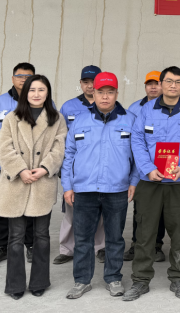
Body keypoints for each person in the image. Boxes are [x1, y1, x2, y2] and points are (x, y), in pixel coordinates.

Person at [123, 66, 180, 301]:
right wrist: (147, 168)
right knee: (145, 233)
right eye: (168, 81)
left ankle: (178, 280)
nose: (173, 85)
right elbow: (137, 139)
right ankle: (140, 281)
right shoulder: (147, 109)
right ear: (160, 84)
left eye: (178, 81)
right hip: (150, 181)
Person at [62, 72, 139, 299]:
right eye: (100, 92)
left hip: (117, 189)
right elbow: (68, 156)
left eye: (110, 92)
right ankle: (82, 281)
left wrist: (133, 182)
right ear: (93, 93)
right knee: (82, 238)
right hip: (84, 189)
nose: (105, 97)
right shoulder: (80, 120)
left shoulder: (130, 120)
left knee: (115, 238)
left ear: (117, 93)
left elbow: (138, 156)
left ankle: (113, 278)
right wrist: (67, 186)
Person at [0, 75, 67, 299]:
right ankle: (15, 285)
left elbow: (59, 148)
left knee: (41, 236)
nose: (36, 94)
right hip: (16, 183)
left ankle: (39, 281)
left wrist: (45, 168)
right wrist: (21, 170)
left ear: (48, 93)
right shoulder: (12, 118)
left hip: (42, 183)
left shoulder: (57, 119)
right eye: (32, 90)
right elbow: (4, 149)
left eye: (41, 90)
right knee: (16, 237)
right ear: (25, 93)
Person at [0, 62, 35, 266]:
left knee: (31, 207)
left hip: (31, 166)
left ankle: (31, 245)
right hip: (5, 167)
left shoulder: (43, 102)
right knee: (3, 207)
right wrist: (3, 152)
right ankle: (1, 247)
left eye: (28, 76)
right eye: (20, 76)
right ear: (13, 79)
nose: (24, 79)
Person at [56, 65, 105, 265]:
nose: (90, 86)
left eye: (94, 82)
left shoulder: (107, 105)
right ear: (81, 83)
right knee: (72, 208)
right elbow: (59, 138)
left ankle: (100, 247)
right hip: (76, 168)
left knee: (100, 210)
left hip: (101, 166)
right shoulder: (69, 107)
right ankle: (67, 249)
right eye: (86, 82)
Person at [124, 71, 166, 263]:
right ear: (145, 86)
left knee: (161, 209)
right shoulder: (135, 108)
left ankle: (156, 245)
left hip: (164, 164)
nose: (153, 87)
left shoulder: (170, 108)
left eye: (157, 83)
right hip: (140, 167)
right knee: (140, 209)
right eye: (150, 83)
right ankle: (136, 244)